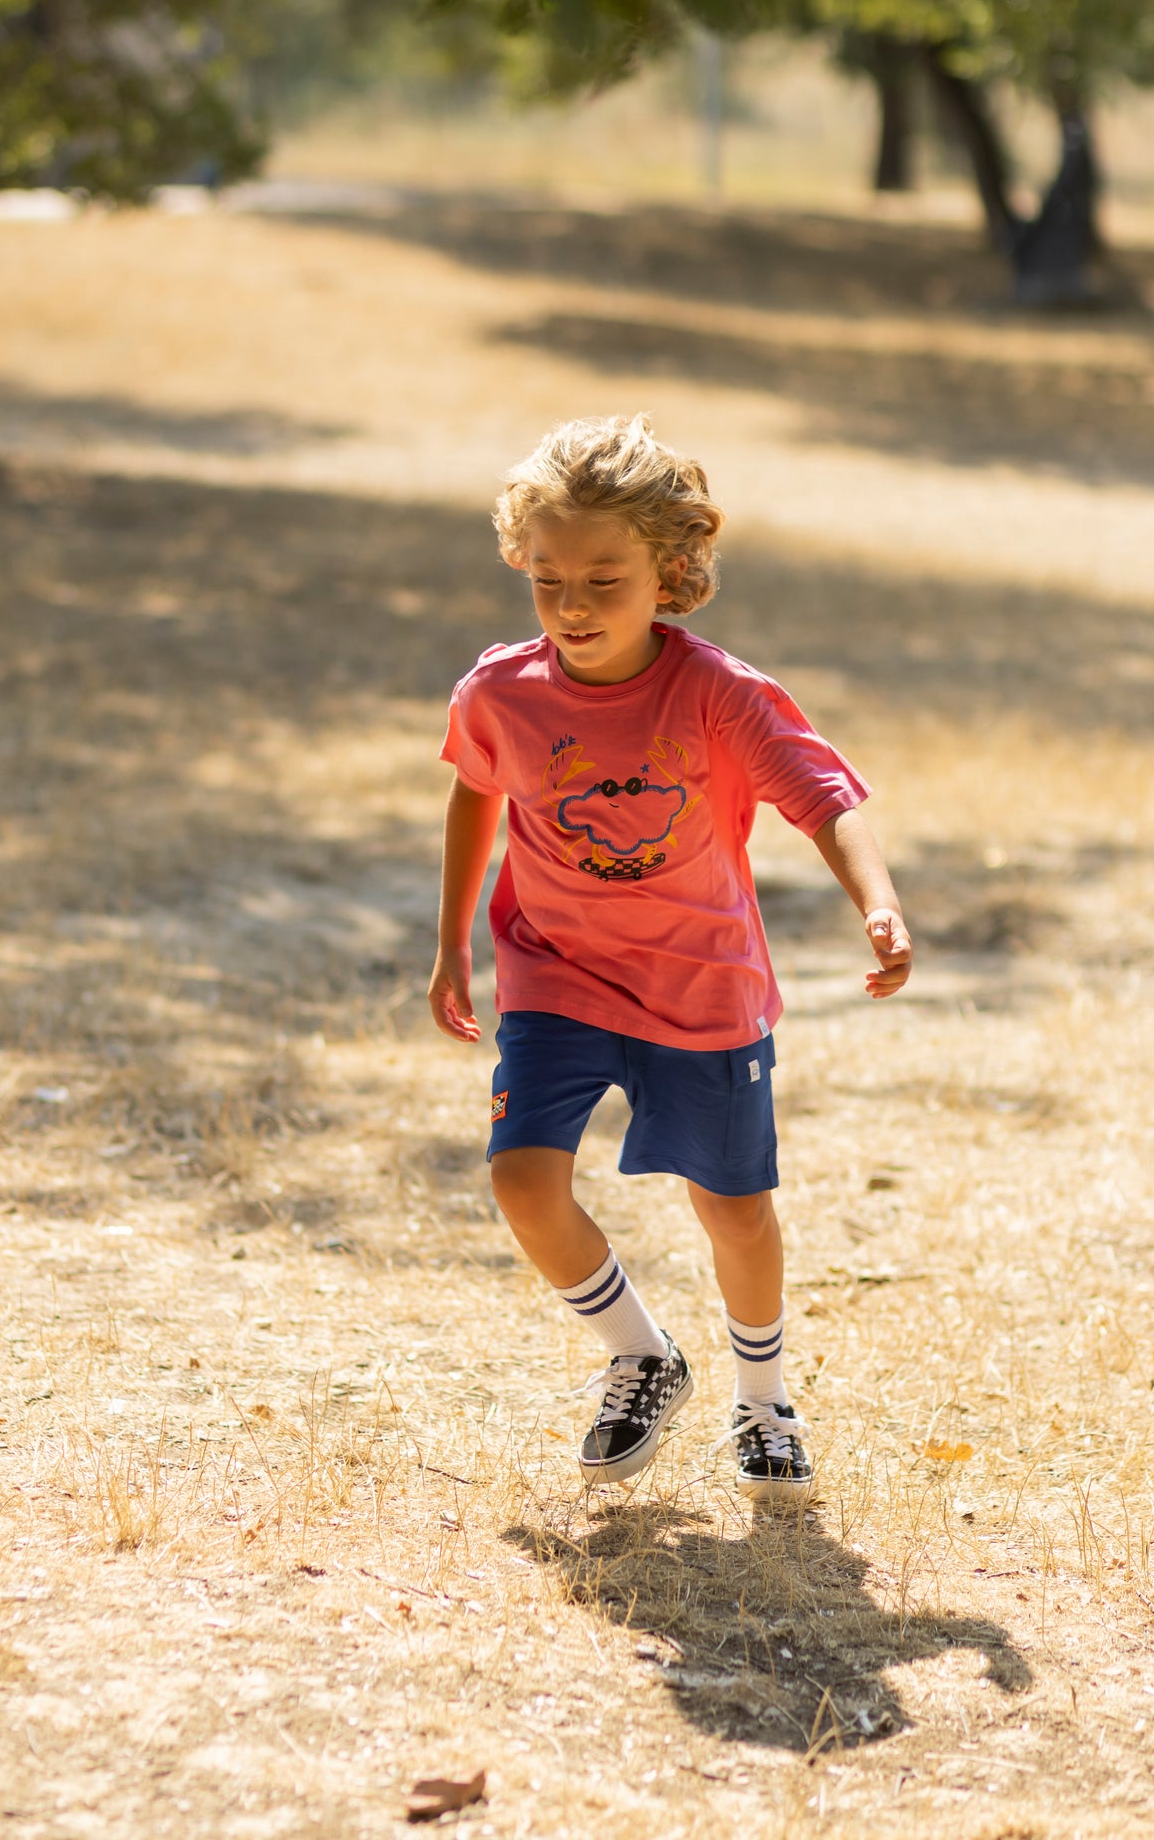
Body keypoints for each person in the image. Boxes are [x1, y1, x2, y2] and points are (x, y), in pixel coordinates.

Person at [428, 415, 913, 1499]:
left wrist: (875, 904)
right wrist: (454, 942)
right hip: (554, 970)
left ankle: (762, 1398)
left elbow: (822, 799)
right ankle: (640, 1355)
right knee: (521, 1180)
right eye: (547, 579)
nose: (572, 605)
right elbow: (475, 791)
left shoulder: (714, 694)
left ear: (669, 570)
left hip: (700, 986)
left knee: (729, 1208)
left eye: (604, 577)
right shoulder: (501, 690)